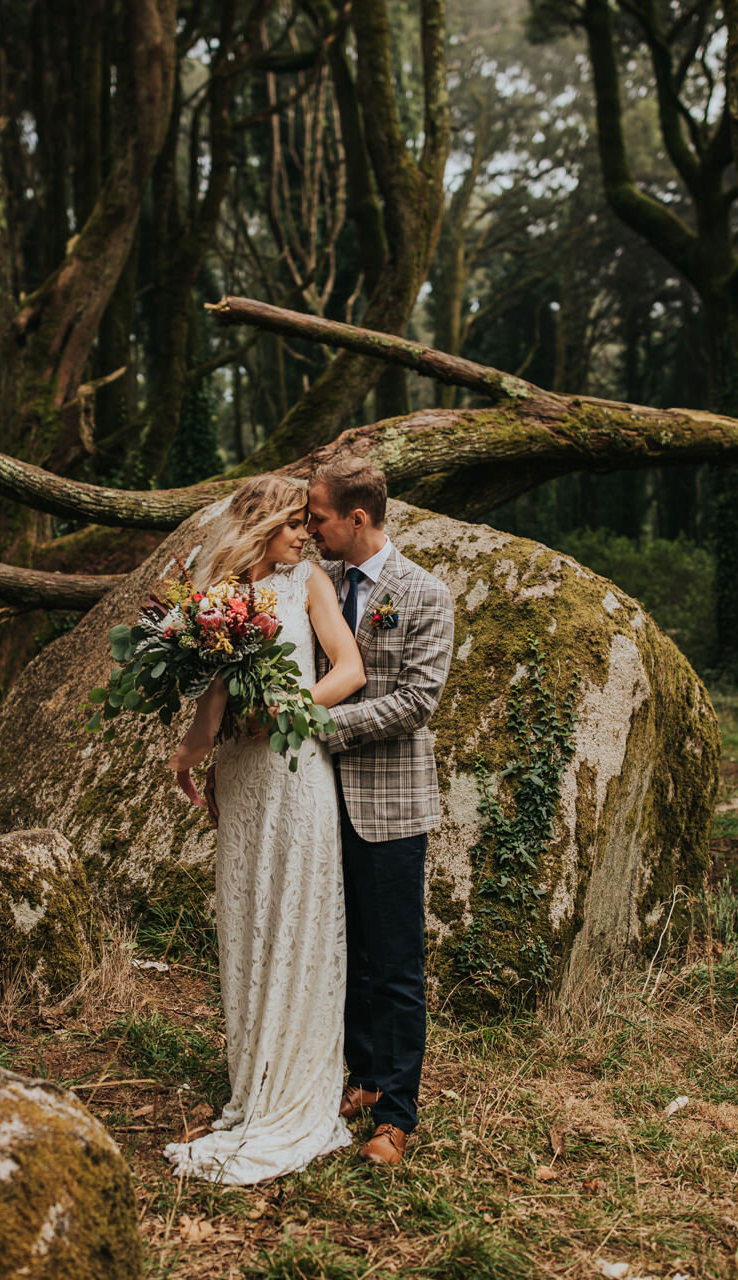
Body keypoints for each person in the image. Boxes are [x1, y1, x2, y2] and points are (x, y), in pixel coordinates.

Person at [161, 474, 366, 1184]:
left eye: (308, 525)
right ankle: (253, 1084)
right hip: (243, 773)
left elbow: (350, 670)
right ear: (261, 525)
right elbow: (215, 694)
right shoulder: (218, 594)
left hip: (295, 763)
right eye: (293, 525)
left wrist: (291, 704)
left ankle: (296, 1090)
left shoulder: (307, 580)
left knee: (296, 917)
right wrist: (193, 753)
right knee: (248, 918)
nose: (305, 534)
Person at [304, 455, 455, 1167]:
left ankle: (397, 1114)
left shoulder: (425, 593)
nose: (310, 531)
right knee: (349, 955)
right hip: (317, 799)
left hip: (392, 806)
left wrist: (319, 726)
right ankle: (362, 1080)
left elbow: (418, 701)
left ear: (356, 518)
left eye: (319, 518)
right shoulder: (319, 585)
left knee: (396, 964)